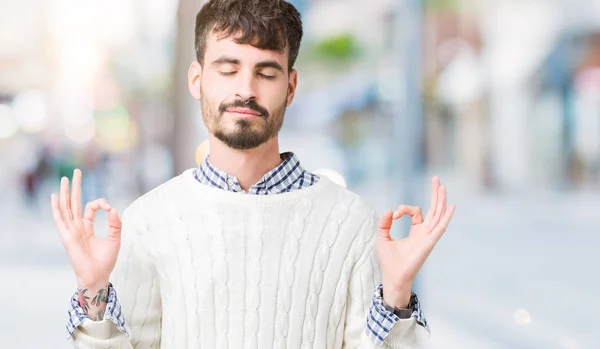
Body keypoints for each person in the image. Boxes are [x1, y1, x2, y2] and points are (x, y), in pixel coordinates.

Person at [50, 0, 456, 347]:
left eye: (265, 72)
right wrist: (93, 289)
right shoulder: (147, 222)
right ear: (197, 79)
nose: (246, 89)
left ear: (291, 87)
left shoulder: (351, 222)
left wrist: (397, 295)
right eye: (228, 69)